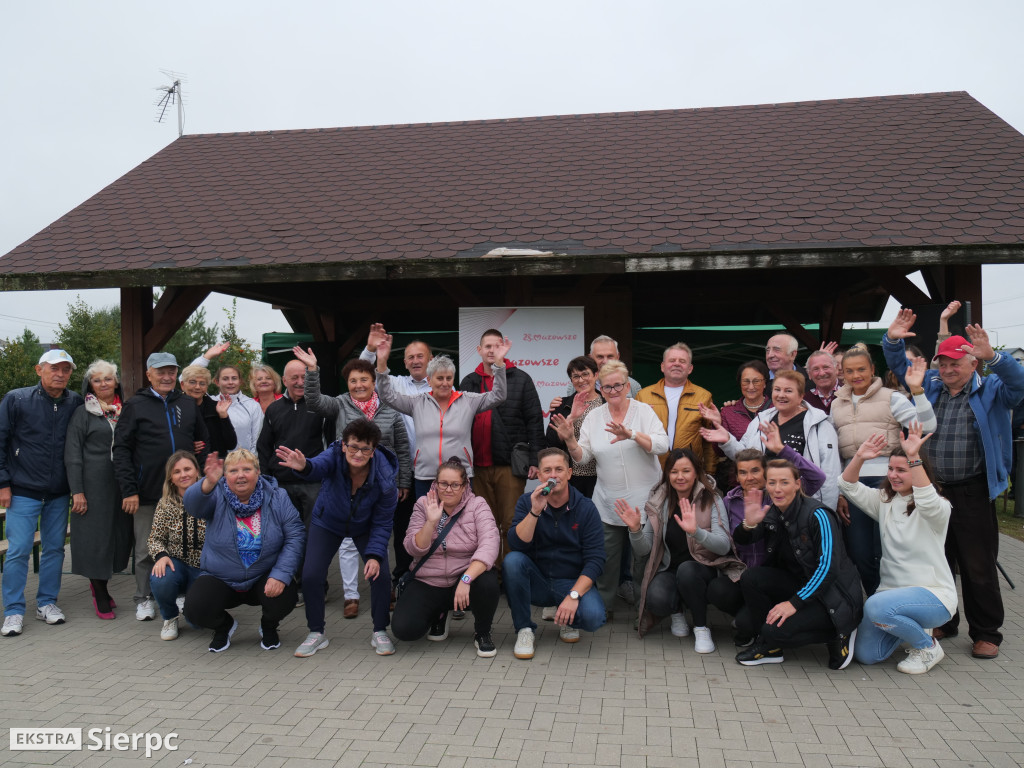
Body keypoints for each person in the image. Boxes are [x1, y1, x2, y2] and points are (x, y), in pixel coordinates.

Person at [884, 309, 1024, 659]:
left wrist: (994, 356)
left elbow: (1019, 384)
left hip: (973, 489)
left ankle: (987, 632)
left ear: (972, 363)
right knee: (936, 560)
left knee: (978, 565)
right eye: (942, 364)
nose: (946, 370)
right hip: (933, 489)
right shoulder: (930, 384)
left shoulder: (992, 388)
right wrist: (892, 341)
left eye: (954, 364)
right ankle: (946, 620)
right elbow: (903, 369)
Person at [293, 350, 410, 619]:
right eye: (353, 380)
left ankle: (382, 589)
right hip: (345, 486)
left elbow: (403, 447)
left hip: (379, 487)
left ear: (374, 381)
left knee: (381, 537)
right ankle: (351, 596)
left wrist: (402, 480)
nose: (359, 385)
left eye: (364, 380)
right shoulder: (339, 404)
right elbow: (313, 401)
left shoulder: (390, 408)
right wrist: (313, 371)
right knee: (345, 544)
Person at [550, 360, 669, 615]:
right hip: (608, 501)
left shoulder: (644, 411)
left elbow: (662, 445)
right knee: (606, 560)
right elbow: (583, 458)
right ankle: (601, 609)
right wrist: (570, 439)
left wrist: (633, 435)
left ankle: (643, 609)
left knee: (643, 559)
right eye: (607, 387)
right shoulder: (594, 416)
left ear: (627, 386)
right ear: (600, 389)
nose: (613, 391)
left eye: (618, 386)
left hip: (645, 500)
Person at [276, 419, 399, 657]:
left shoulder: (385, 479)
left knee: (381, 574)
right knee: (311, 575)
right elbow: (317, 467)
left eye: (365, 449)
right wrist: (304, 466)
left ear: (373, 451)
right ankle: (316, 633)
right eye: (353, 446)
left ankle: (380, 630)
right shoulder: (333, 455)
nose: (358, 453)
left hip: (365, 526)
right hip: (328, 521)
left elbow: (383, 522)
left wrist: (374, 555)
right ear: (343, 446)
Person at [842, 425, 956, 674]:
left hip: (934, 596)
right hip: (890, 597)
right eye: (891, 469)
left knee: (874, 606)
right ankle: (909, 626)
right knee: (866, 655)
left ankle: (927, 647)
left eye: (901, 470)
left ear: (918, 470)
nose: (893, 475)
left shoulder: (938, 508)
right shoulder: (885, 501)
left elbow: (925, 499)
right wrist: (860, 457)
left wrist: (914, 458)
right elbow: (847, 485)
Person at [732, 459, 863, 669]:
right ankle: (770, 647)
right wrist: (749, 523)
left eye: (784, 482)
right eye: (772, 483)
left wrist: (794, 603)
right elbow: (744, 540)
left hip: (833, 597)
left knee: (775, 631)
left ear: (797, 484)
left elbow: (828, 568)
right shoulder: (773, 512)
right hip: (800, 585)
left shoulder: (818, 514)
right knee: (752, 579)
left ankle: (840, 631)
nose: (777, 489)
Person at [831, 345, 936, 595]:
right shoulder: (837, 404)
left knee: (887, 551)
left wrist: (918, 391)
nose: (856, 375)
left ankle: (894, 605)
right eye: (849, 371)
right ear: (842, 374)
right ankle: (878, 603)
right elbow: (835, 453)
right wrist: (841, 492)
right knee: (860, 553)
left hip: (888, 481)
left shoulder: (892, 397)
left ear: (872, 370)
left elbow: (928, 425)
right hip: (854, 484)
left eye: (861, 369)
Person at [617, 448, 744, 654]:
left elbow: (723, 545)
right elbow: (643, 550)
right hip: (670, 569)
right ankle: (677, 612)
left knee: (687, 570)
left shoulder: (711, 499)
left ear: (696, 473)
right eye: (674, 471)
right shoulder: (658, 501)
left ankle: (701, 628)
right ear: (667, 474)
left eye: (686, 471)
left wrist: (696, 532)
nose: (680, 477)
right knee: (656, 597)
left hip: (705, 568)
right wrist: (635, 530)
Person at [711, 423, 827, 646]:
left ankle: (762, 626)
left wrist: (784, 451)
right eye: (743, 472)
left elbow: (817, 479)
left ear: (765, 472)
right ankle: (751, 615)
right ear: (737, 476)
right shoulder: (729, 501)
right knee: (717, 591)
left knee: (747, 626)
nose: (750, 477)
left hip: (773, 578)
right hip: (741, 575)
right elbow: (730, 539)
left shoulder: (779, 495)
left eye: (755, 470)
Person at [113, 352, 208, 622]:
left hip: (185, 493)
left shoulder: (188, 403)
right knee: (146, 549)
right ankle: (143, 598)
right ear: (149, 374)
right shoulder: (135, 405)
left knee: (188, 544)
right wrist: (129, 489)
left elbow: (204, 441)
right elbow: (121, 449)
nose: (166, 377)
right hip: (146, 492)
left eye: (171, 371)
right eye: (160, 371)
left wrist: (199, 476)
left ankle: (180, 594)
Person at [184, 448, 304, 652]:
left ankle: (269, 626)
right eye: (233, 471)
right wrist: (208, 483)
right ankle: (223, 627)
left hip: (262, 576)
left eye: (247, 469)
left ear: (258, 472)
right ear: (225, 475)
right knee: (194, 608)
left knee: (286, 595)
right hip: (221, 577)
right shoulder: (216, 494)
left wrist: (281, 574)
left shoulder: (277, 496)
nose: (240, 475)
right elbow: (193, 506)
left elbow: (295, 535)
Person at [0, 349, 83, 636]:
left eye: (66, 369)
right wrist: (3, 483)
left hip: (59, 493)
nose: (60, 374)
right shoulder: (17, 399)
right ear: (39, 370)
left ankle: (46, 603)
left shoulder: (75, 401)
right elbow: (1, 441)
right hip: (23, 491)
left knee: (54, 551)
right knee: (19, 551)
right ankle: (12, 610)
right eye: (54, 368)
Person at [373, 327, 508, 499]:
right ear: (429, 380)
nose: (445, 383)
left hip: (460, 478)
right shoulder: (417, 402)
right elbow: (387, 395)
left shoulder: (467, 400)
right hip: (426, 476)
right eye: (439, 378)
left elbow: (499, 396)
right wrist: (382, 363)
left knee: (461, 524)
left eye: (449, 378)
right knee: (428, 522)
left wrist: (499, 365)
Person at [391, 457, 501, 657]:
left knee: (488, 582)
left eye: (455, 484)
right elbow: (412, 548)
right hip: (429, 579)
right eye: (443, 484)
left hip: (463, 576)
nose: (448, 489)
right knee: (404, 630)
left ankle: (482, 632)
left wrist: (466, 579)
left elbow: (490, 545)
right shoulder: (423, 504)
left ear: (465, 486)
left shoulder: (477, 505)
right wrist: (431, 522)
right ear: (435, 484)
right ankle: (439, 614)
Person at [504, 448, 606, 658]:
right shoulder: (527, 501)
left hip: (570, 583)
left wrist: (573, 595)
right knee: (513, 561)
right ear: (539, 475)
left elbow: (596, 560)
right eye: (547, 470)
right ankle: (524, 629)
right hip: (538, 582)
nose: (553, 475)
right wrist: (535, 511)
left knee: (594, 617)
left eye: (559, 469)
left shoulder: (586, 508)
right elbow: (516, 544)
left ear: (569, 473)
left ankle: (567, 618)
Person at [460, 329, 545, 570]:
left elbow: (534, 421)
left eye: (496, 346)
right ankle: (489, 574)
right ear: (479, 350)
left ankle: (511, 574)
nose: (491, 350)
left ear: (503, 349)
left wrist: (535, 459)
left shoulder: (521, 379)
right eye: (486, 346)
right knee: (483, 525)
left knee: (510, 524)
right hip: (476, 467)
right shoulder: (469, 381)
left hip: (509, 465)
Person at [359, 326, 433, 592]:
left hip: (432, 469)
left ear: (430, 360)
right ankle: (403, 577)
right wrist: (372, 351)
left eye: (420, 356)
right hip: (400, 470)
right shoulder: (394, 383)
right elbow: (362, 373)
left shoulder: (443, 386)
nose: (415, 360)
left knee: (433, 525)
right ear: (404, 362)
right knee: (402, 527)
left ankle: (435, 579)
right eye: (410, 357)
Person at [702, 370, 841, 510]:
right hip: (766, 503)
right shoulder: (761, 419)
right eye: (777, 389)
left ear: (801, 396)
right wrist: (728, 440)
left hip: (803, 503)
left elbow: (830, 473)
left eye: (788, 390)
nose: (781, 395)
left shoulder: (819, 424)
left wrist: (826, 511)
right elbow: (747, 459)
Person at [64, 360, 133, 620]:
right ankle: (99, 591)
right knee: (95, 539)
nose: (103, 383)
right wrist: (77, 491)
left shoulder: (127, 411)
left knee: (119, 536)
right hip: (92, 486)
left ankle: (103, 584)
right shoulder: (84, 413)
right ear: (89, 385)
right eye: (97, 379)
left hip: (122, 485)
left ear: (116, 382)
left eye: (108, 378)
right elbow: (73, 455)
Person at [148, 451, 206, 640]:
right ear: (171, 478)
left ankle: (190, 604)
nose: (183, 475)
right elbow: (155, 538)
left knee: (198, 623)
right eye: (177, 472)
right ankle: (170, 616)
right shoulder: (166, 504)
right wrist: (161, 556)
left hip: (205, 567)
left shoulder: (211, 498)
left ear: (197, 471)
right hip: (177, 564)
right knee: (160, 576)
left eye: (187, 469)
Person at [637, 343, 716, 471]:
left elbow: (710, 440)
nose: (677, 364)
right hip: (652, 470)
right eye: (672, 360)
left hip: (688, 471)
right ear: (663, 366)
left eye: (682, 361)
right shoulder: (643, 396)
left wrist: (710, 473)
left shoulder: (704, 396)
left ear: (690, 368)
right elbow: (635, 435)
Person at [544, 356, 604, 498]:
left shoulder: (607, 404)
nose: (581, 380)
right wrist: (571, 419)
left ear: (596, 375)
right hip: (571, 475)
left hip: (601, 475)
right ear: (571, 380)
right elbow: (551, 441)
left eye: (585, 374)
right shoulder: (561, 405)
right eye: (576, 376)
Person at [190, 343, 263, 453]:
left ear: (240, 381)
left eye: (234, 378)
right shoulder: (210, 402)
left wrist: (252, 463)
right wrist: (207, 357)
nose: (230, 382)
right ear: (217, 382)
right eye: (225, 379)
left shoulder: (252, 405)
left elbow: (257, 440)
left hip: (244, 465)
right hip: (216, 464)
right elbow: (186, 377)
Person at [713, 360, 771, 492]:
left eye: (756, 381)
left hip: (771, 481)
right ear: (740, 383)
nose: (751, 386)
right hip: (737, 482)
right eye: (746, 381)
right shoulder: (728, 411)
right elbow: (719, 452)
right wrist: (716, 424)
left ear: (765, 383)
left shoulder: (776, 409)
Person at [550, 334, 641, 411]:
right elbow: (570, 410)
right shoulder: (575, 386)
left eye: (610, 356)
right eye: (600, 357)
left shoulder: (633, 385)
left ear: (618, 356)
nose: (605, 361)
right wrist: (559, 407)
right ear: (591, 358)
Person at [180, 364, 237, 457]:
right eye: (192, 382)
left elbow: (231, 444)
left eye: (202, 383)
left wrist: (223, 416)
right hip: (187, 465)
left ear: (207, 387)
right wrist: (187, 446)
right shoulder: (175, 409)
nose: (197, 387)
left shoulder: (216, 408)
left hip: (216, 466)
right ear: (182, 385)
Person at [803, 347, 840, 414]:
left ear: (836, 368)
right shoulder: (804, 400)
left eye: (826, 367)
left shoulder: (850, 393)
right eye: (816, 369)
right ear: (809, 374)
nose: (822, 373)